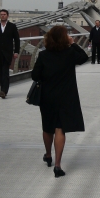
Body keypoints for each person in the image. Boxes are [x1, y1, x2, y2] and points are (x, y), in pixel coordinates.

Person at [31, 26, 88, 178]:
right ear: (65, 38)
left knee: (47, 126)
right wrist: (73, 43)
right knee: (60, 128)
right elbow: (84, 57)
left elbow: (35, 76)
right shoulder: (70, 53)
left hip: (47, 96)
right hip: (66, 96)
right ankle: (57, 165)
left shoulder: (43, 55)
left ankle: (48, 155)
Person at [0, 9, 20, 99]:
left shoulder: (12, 26)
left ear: (7, 16)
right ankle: (2, 89)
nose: (3, 16)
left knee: (5, 71)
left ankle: (4, 91)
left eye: (4, 14)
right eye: (1, 14)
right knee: (1, 72)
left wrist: (16, 51)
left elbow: (17, 40)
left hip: (8, 53)